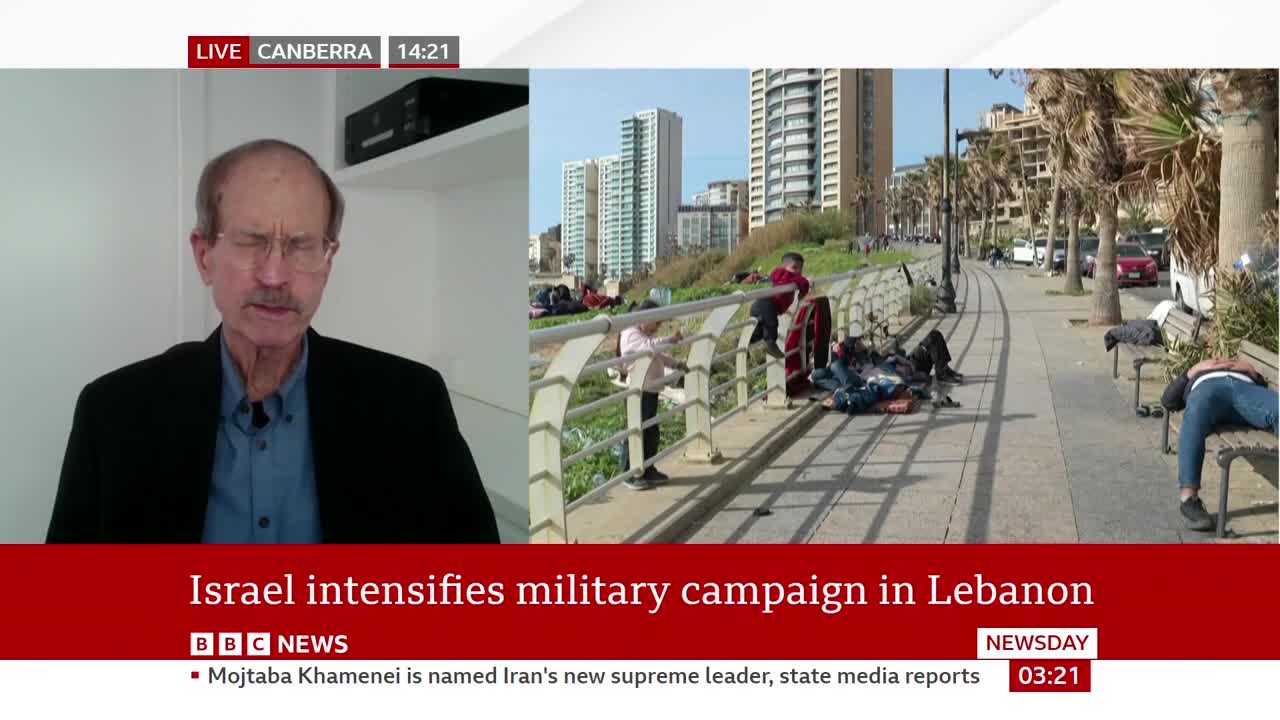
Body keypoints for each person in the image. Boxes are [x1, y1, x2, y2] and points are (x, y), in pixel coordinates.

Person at [46, 139, 499, 544]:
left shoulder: (414, 405)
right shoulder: (111, 415)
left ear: (328, 261)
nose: (275, 275)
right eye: (249, 242)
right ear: (204, 257)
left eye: (302, 246)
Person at [1161, 356, 1279, 531]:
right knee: (1196, 411)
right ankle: (1189, 500)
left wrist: (1252, 372)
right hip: (1208, 389)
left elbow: (1263, 394)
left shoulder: (1243, 369)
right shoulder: (1198, 373)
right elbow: (1168, 401)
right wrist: (1194, 370)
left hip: (1244, 390)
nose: (1221, 361)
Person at [618, 300, 687, 490]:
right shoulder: (631, 334)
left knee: (650, 431)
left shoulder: (644, 336)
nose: (657, 328)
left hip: (650, 390)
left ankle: (648, 468)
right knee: (636, 430)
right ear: (645, 318)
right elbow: (650, 348)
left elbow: (657, 355)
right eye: (656, 323)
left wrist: (675, 364)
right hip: (638, 392)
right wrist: (670, 340)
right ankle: (630, 473)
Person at [750, 252, 809, 359]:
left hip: (762, 305)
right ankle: (770, 344)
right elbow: (804, 283)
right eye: (794, 267)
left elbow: (775, 276)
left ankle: (744, 341)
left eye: (800, 268)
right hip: (767, 303)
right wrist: (802, 293)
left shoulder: (787, 276)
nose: (798, 271)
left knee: (759, 331)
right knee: (772, 325)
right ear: (784, 267)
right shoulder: (790, 276)